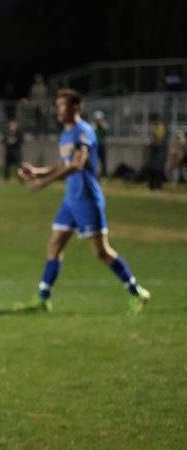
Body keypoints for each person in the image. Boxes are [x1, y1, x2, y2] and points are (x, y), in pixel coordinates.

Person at [13, 88, 150, 315]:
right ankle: (43, 299)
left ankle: (137, 292)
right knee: (54, 246)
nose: (57, 110)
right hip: (70, 200)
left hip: (87, 199)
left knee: (101, 252)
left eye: (61, 106)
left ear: (75, 107)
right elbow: (62, 164)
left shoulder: (84, 131)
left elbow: (77, 164)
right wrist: (37, 172)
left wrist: (45, 183)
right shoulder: (66, 133)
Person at [146, 114, 169, 192]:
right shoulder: (157, 136)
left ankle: (157, 187)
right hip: (156, 157)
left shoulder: (164, 137)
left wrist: (151, 144)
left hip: (159, 157)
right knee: (153, 171)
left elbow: (159, 145)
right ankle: (152, 186)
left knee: (158, 171)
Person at [2, 118, 24, 182]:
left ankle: (21, 179)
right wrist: (9, 141)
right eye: (11, 125)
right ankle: (6, 179)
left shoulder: (19, 132)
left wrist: (15, 141)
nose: (12, 126)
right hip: (9, 151)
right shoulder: (6, 132)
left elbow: (21, 140)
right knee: (7, 166)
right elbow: (3, 140)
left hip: (16, 151)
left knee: (19, 165)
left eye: (13, 124)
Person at [92, 110, 109, 178]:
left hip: (102, 146)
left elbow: (105, 133)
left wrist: (101, 126)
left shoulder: (104, 126)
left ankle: (103, 175)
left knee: (103, 161)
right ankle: (94, 174)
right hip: (95, 146)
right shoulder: (93, 127)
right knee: (94, 161)